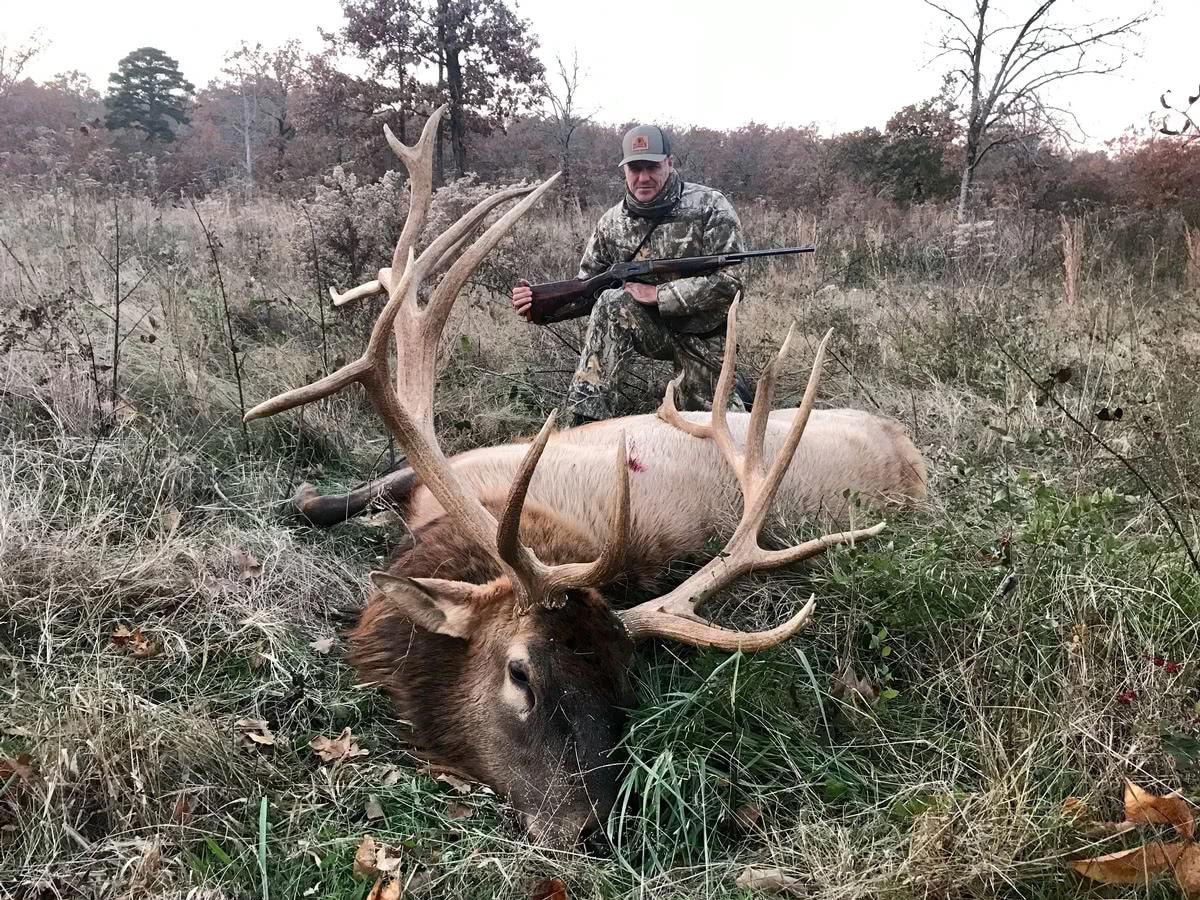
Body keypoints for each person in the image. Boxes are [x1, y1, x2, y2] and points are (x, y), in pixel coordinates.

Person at [511, 124, 751, 426]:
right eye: (635, 168)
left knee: (719, 431)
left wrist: (660, 295)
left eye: (652, 167)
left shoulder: (710, 206)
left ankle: (732, 387)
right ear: (624, 170)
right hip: (650, 330)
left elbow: (733, 281)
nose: (643, 178)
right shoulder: (611, 223)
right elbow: (586, 291)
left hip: (704, 335)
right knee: (612, 302)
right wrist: (538, 307)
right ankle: (586, 423)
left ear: (670, 163)